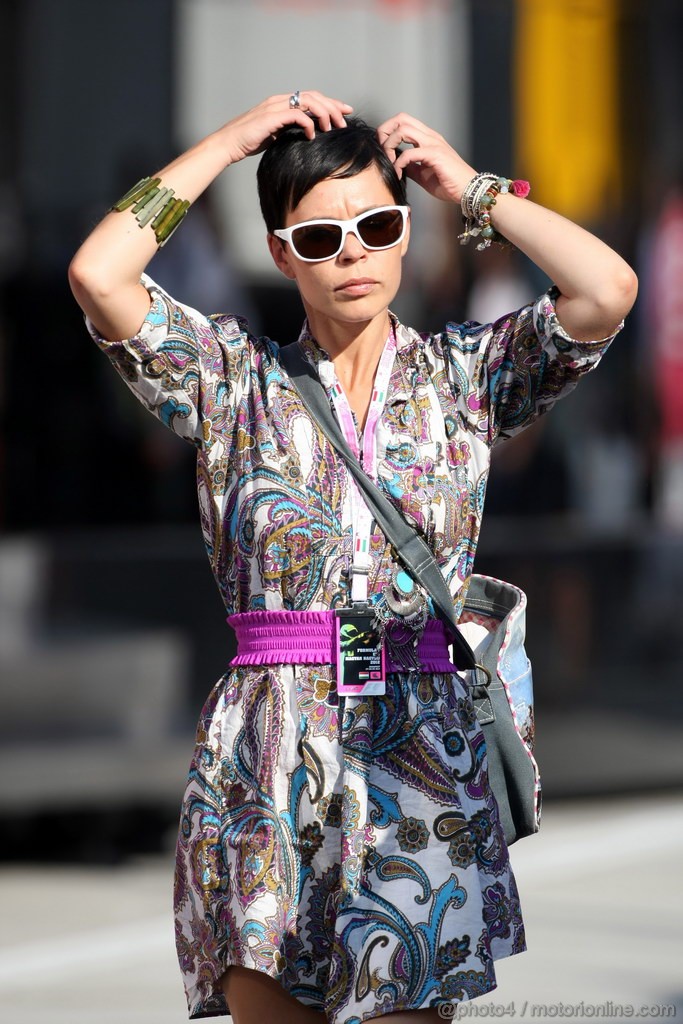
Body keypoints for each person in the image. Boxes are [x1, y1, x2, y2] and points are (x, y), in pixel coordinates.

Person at [68, 91, 637, 1024]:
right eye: (320, 238)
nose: (354, 255)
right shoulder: (229, 380)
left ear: (406, 233)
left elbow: (606, 291)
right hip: (266, 753)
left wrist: (470, 188)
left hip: (421, 747)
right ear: (281, 253)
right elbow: (99, 273)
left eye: (376, 226)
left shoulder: (466, 378)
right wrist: (231, 141)